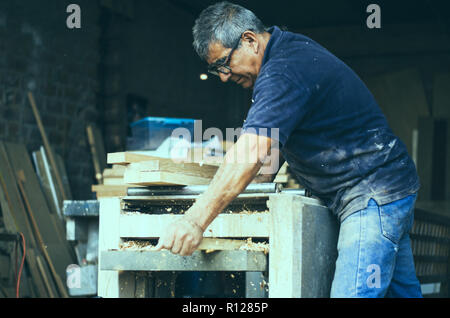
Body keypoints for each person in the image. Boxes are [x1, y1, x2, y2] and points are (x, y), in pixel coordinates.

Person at [155, 1, 422, 298]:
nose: (225, 76)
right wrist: (249, 179)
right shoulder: (286, 52)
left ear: (249, 40)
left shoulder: (283, 71)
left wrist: (194, 221)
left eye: (223, 64)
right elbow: (269, 152)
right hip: (389, 187)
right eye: (217, 69)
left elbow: (252, 152)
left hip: (371, 192)